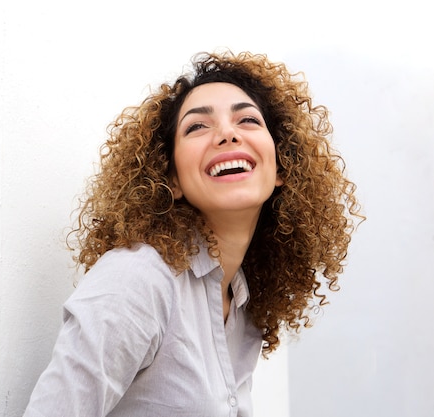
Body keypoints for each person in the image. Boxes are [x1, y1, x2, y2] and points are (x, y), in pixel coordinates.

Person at [22, 49, 363, 417]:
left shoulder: (242, 304)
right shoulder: (138, 278)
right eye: (197, 126)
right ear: (172, 179)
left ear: (281, 167)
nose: (227, 134)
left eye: (247, 120)